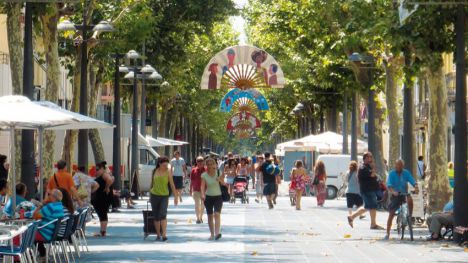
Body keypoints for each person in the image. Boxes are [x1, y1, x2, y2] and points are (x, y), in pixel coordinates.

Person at [384, 159, 419, 240]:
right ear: (395, 165)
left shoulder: (406, 172)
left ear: (403, 166)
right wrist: (393, 192)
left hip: (404, 194)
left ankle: (410, 216)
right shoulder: (392, 173)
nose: (398, 167)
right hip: (395, 195)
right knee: (391, 213)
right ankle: (387, 233)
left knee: (410, 199)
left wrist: (416, 187)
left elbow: (413, 181)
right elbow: (389, 185)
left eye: (400, 165)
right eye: (397, 165)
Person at [347, 152, 383, 230]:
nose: (371, 159)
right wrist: (373, 168)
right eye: (369, 157)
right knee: (371, 206)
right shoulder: (363, 167)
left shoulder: (367, 167)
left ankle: (352, 217)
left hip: (370, 190)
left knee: (369, 207)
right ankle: (372, 224)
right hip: (367, 190)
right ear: (365, 158)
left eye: (371, 157)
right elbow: (372, 175)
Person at [150, 156, 178, 242]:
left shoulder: (168, 171)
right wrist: (149, 195)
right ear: (159, 164)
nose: (166, 165)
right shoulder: (154, 171)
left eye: (167, 163)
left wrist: (176, 197)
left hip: (164, 195)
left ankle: (164, 234)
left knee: (163, 214)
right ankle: (158, 234)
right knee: (156, 215)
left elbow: (172, 184)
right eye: (164, 164)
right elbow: (152, 183)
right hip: (154, 195)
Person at [33, 189, 65, 257]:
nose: (48, 196)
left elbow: (34, 215)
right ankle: (42, 254)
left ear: (53, 197)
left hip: (45, 233)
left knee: (26, 235)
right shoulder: (60, 206)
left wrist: (41, 204)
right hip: (52, 233)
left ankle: (39, 255)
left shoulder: (51, 207)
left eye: (49, 195)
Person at [201, 158, 225, 241]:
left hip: (218, 196)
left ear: (214, 164)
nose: (210, 166)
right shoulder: (204, 175)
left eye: (212, 164)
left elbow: (224, 183)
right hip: (208, 197)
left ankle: (217, 233)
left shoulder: (219, 173)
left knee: (217, 214)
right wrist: (203, 194)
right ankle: (212, 234)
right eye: (208, 164)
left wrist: (220, 180)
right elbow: (202, 186)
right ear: (206, 165)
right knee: (210, 216)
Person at [91, 161, 114, 237]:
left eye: (98, 169)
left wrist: (107, 188)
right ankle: (102, 230)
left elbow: (110, 180)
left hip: (103, 197)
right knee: (102, 214)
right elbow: (112, 179)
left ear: (102, 169)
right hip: (102, 197)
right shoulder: (105, 174)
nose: (96, 171)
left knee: (102, 213)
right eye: (96, 169)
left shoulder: (104, 174)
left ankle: (103, 231)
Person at [190, 156, 206, 224]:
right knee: (197, 204)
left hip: (205, 191)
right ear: (196, 162)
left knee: (202, 205)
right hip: (196, 190)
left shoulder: (206, 170)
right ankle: (198, 218)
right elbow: (192, 180)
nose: (200, 162)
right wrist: (190, 189)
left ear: (203, 162)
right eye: (198, 161)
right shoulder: (194, 170)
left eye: (201, 161)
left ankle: (201, 217)